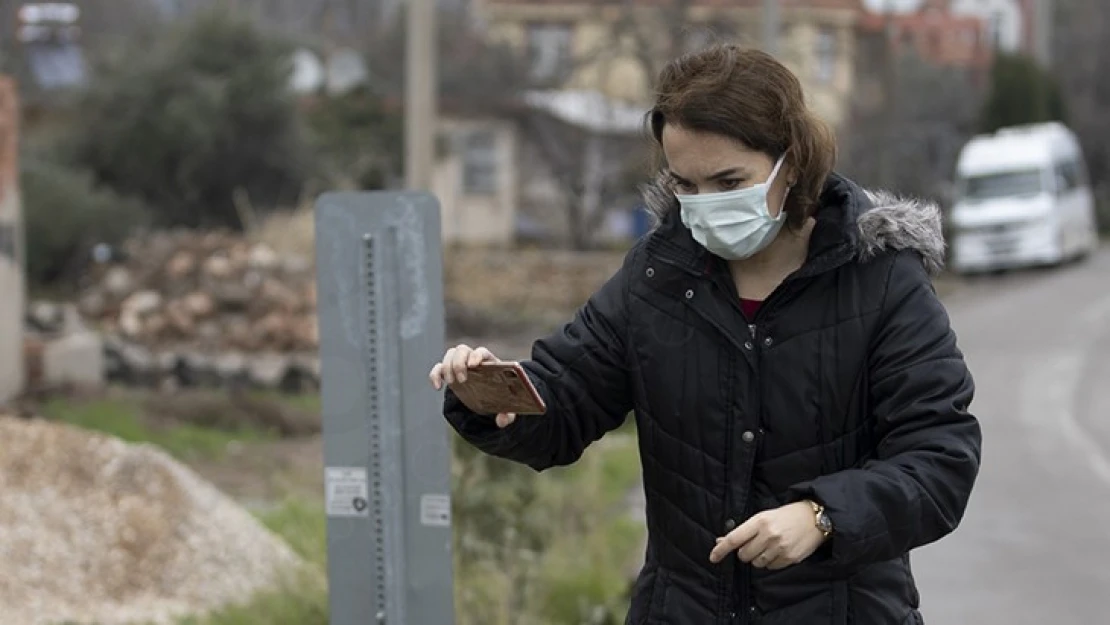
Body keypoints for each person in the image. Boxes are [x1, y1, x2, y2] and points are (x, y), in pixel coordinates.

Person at [429, 45, 981, 624]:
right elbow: (567, 401)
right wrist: (495, 399)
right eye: (685, 185)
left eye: (729, 181)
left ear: (790, 162)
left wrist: (823, 517)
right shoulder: (656, 276)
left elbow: (940, 459)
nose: (705, 206)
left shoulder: (882, 280)